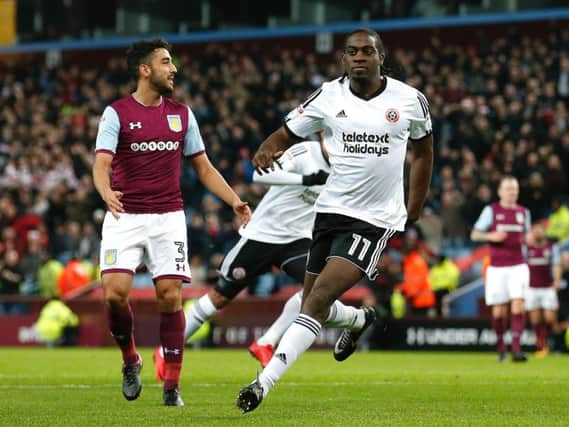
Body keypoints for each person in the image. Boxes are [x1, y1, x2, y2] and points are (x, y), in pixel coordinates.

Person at [236, 28, 433, 413]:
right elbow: (286, 133)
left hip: (373, 220)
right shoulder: (328, 95)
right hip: (328, 213)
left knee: (320, 297)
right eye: (352, 52)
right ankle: (359, 320)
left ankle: (262, 384)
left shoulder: (410, 100)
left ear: (381, 56)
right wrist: (267, 149)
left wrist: (416, 206)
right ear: (343, 58)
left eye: (367, 51)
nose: (359, 57)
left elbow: (424, 152)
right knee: (314, 303)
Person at [92, 38, 251, 407]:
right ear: (144, 69)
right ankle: (131, 359)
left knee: (170, 296)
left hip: (168, 217)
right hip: (124, 214)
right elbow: (101, 164)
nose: (173, 68)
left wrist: (233, 201)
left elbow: (204, 167)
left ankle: (171, 386)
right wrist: (105, 192)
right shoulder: (115, 113)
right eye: (165, 62)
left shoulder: (182, 114)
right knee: (115, 294)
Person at [154, 139, 375, 378]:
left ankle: (267, 342)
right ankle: (166, 351)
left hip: (297, 240)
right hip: (263, 234)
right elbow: (261, 176)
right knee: (220, 296)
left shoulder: (347, 169)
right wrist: (305, 180)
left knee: (320, 290)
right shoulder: (304, 152)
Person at [471, 176, 531, 362]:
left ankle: (516, 349)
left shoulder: (524, 212)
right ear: (500, 191)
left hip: (518, 265)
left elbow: (526, 237)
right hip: (497, 267)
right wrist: (491, 235)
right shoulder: (491, 211)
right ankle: (501, 348)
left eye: (515, 189)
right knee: (498, 310)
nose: (512, 192)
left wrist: (529, 241)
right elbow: (474, 234)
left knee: (518, 303)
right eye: (509, 189)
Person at [525, 222, 562, 357]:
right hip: (531, 288)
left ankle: (557, 345)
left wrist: (557, 280)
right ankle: (542, 347)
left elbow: (556, 265)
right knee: (535, 320)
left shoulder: (551, 248)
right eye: (535, 231)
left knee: (550, 318)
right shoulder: (526, 249)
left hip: (547, 288)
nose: (538, 233)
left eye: (540, 230)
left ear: (544, 232)